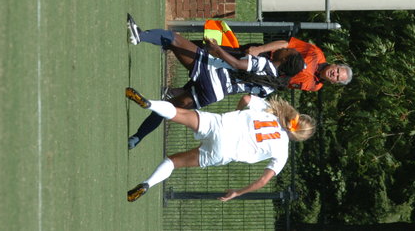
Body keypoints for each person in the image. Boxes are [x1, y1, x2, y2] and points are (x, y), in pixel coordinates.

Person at [126, 14, 304, 149]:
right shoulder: (271, 87)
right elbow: (247, 96)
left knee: (173, 38)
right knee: (167, 109)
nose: (284, 49)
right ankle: (136, 138)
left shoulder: (265, 64)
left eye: (287, 51)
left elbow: (237, 64)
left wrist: (217, 49)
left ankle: (139, 36)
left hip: (211, 72)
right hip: (214, 94)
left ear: (285, 59)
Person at [125, 87, 316, 202]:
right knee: (173, 162)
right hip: (224, 152)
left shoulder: (272, 112)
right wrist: (237, 193)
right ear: (298, 137)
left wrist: (237, 113)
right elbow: (263, 181)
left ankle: (149, 103)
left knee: (177, 112)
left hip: (221, 124)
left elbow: (246, 98)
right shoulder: (282, 152)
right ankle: (147, 184)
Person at [216, 37, 353, 92]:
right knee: (223, 54)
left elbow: (286, 83)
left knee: (222, 79)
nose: (334, 74)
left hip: (264, 76)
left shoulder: (315, 86)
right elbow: (286, 44)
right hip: (264, 57)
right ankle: (206, 48)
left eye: (337, 77)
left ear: (334, 82)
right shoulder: (315, 53)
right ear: (335, 65)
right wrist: (260, 49)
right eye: (337, 70)